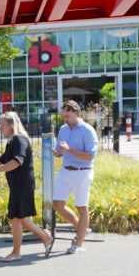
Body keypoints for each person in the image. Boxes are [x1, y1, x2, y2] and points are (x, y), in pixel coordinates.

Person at [0, 111, 52, 261]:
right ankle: (28, 245)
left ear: (11, 125)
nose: (0, 128)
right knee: (17, 218)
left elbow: (17, 161)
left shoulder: (19, 139)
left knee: (19, 218)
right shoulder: (12, 141)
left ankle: (42, 239)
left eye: (2, 125)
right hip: (18, 185)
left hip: (22, 184)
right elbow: (3, 159)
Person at [51, 100, 98, 254]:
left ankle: (79, 243)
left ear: (76, 113)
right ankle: (81, 228)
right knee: (57, 204)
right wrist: (57, 152)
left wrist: (69, 149)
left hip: (82, 171)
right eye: (63, 116)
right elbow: (61, 150)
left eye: (68, 116)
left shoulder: (87, 130)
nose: (65, 119)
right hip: (65, 170)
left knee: (82, 207)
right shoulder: (63, 129)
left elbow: (90, 156)